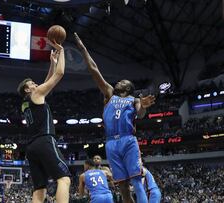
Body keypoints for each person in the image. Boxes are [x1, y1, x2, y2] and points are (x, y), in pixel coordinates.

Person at [74, 33, 156, 203]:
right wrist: (83, 49)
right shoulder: (110, 94)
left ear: (128, 88)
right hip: (111, 142)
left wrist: (144, 107)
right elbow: (94, 70)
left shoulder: (134, 100)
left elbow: (140, 114)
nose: (119, 82)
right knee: (123, 187)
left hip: (128, 140)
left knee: (136, 181)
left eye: (123, 82)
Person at [17, 40, 71, 203]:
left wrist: (52, 63)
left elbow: (47, 82)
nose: (36, 84)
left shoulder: (26, 103)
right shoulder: (36, 94)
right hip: (45, 141)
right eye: (32, 83)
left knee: (39, 189)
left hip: (32, 147)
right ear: (27, 89)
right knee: (64, 179)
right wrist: (61, 52)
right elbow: (60, 74)